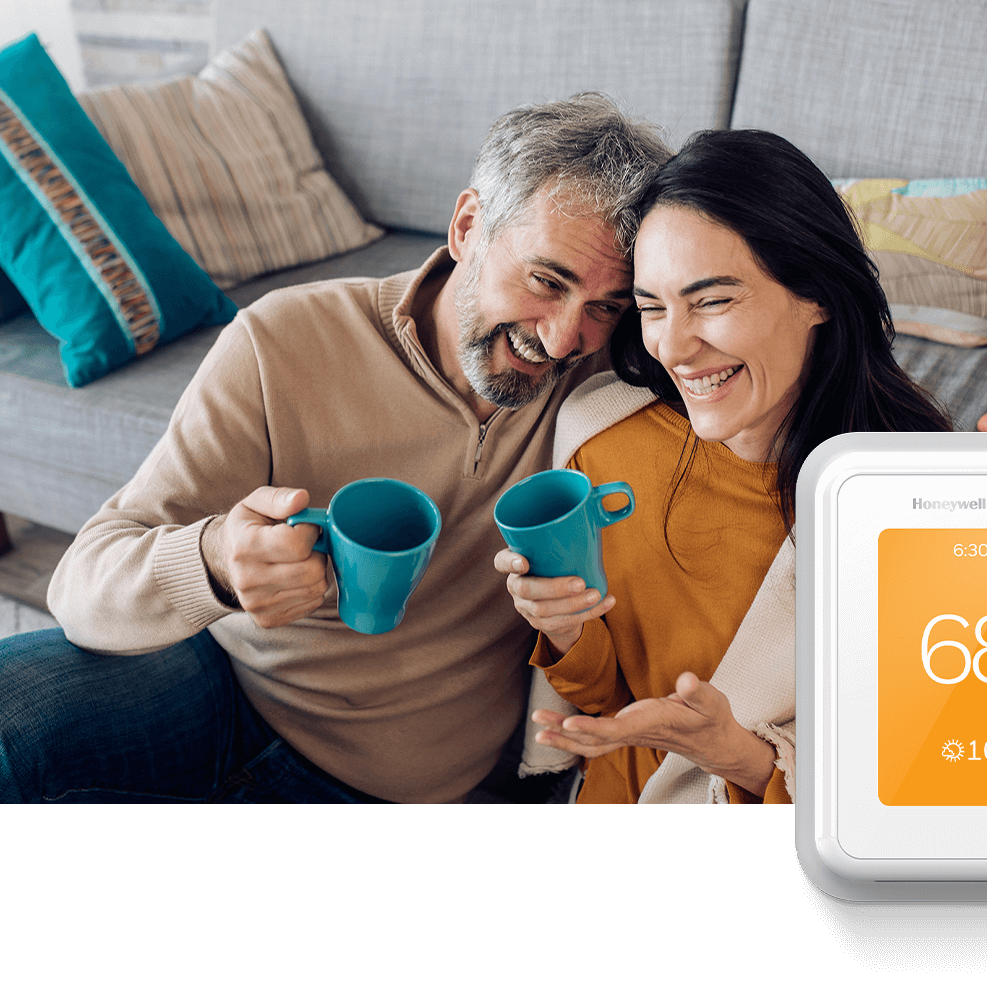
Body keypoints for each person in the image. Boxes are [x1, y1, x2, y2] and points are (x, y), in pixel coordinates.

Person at [0, 93, 673, 804]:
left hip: (394, 781)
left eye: (607, 306)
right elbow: (80, 588)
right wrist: (217, 561)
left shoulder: (612, 392)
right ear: (469, 227)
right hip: (220, 688)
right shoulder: (281, 341)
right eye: (546, 280)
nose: (566, 337)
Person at [496, 129, 953, 804]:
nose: (673, 347)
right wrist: (567, 629)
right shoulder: (601, 440)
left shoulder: (916, 511)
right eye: (652, 307)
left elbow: (918, 779)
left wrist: (736, 754)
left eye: (712, 300)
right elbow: (601, 698)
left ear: (817, 294)